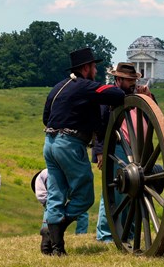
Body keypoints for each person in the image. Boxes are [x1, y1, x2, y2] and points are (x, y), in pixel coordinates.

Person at [41, 48, 126, 256]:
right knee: (85, 196)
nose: (96, 71)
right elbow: (116, 94)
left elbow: (46, 116)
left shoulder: (58, 87)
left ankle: (53, 243)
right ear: (86, 68)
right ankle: (59, 226)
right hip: (69, 144)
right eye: (94, 67)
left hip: (49, 143)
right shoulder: (84, 86)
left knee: (56, 193)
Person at [92, 62, 154, 243]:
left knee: (132, 192)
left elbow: (155, 117)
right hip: (117, 146)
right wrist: (100, 152)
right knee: (115, 191)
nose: (132, 83)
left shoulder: (140, 95)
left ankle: (129, 233)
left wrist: (148, 97)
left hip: (138, 151)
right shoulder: (109, 96)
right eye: (128, 80)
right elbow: (101, 125)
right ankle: (106, 234)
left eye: (134, 79)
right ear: (118, 79)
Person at [31, 168, 89, 241]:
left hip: (64, 185)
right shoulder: (45, 177)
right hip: (68, 184)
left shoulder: (40, 179)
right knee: (81, 212)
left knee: (49, 212)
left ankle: (48, 235)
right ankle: (81, 235)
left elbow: (41, 196)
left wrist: (49, 204)